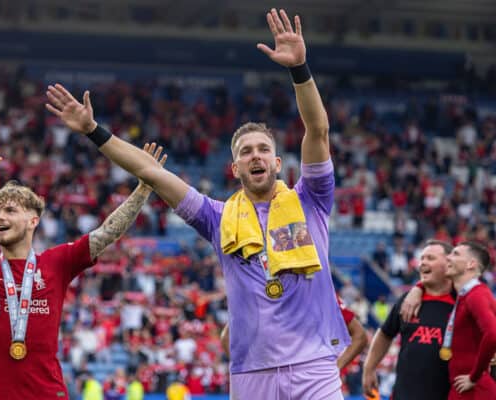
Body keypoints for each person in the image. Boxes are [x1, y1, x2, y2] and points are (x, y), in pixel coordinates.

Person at [47, 8, 349, 399]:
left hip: (314, 367)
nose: (255, 156)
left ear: (277, 163)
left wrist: (300, 69)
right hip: (251, 371)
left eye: (263, 150)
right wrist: (93, 130)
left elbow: (318, 129)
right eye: (246, 152)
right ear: (234, 167)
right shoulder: (217, 217)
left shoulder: (312, 200)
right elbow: (154, 174)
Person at [0, 145, 167, 399]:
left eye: (10, 210)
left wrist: (143, 189)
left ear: (33, 221)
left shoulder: (56, 262)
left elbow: (107, 232)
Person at [363, 240, 455, 400]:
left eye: (431, 258)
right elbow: (385, 333)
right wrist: (369, 368)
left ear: (449, 264)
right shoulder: (407, 300)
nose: (422, 263)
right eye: (422, 258)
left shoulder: (462, 302)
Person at [220, 296, 368, 370]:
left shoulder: (320, 291)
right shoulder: (262, 289)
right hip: (274, 381)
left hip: (314, 384)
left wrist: (334, 369)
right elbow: (226, 337)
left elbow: (360, 336)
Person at [443, 242, 496, 399]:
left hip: (475, 391)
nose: (448, 257)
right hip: (463, 389)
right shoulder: (467, 295)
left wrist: (474, 376)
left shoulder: (477, 294)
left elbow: (493, 333)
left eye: (455, 254)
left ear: (471, 264)